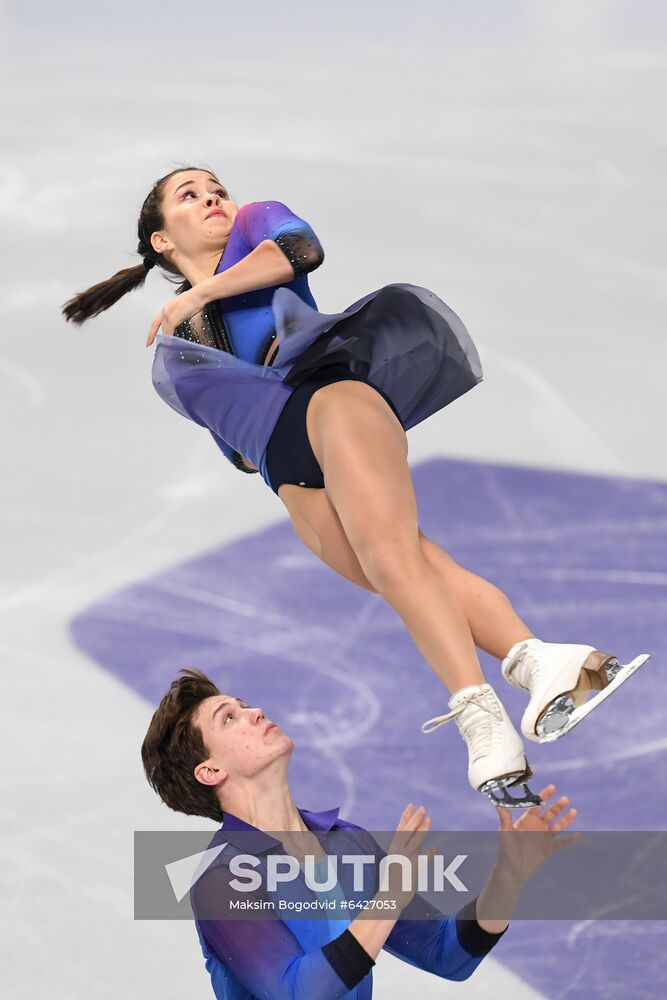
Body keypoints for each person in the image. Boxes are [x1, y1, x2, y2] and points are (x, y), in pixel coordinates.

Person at [64, 166, 648, 807]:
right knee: (414, 569)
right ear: (162, 243)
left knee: (394, 561)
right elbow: (233, 446)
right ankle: (544, 661)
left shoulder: (256, 226)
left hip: (333, 401)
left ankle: (482, 721)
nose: (212, 198)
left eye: (215, 188)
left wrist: (199, 297)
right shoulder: (180, 340)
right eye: (189, 196)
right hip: (287, 473)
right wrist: (203, 331)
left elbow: (299, 253)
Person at [141, 668, 578, 1000]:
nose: (255, 713)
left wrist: (509, 876)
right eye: (229, 717)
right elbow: (300, 991)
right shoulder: (220, 882)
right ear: (210, 771)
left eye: (245, 705)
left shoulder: (348, 843)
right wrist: (389, 897)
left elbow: (448, 955)